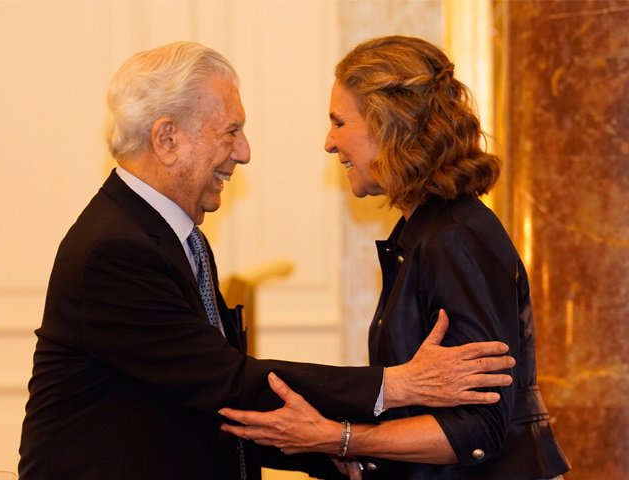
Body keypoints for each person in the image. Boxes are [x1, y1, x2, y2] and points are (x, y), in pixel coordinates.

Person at [17, 41, 516, 480]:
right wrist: (394, 386)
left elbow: (213, 396)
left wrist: (329, 448)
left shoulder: (172, 236)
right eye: (230, 131)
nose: (245, 152)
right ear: (167, 139)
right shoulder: (115, 250)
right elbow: (225, 384)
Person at [219, 35, 571, 479]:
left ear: (390, 127)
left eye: (339, 122)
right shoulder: (427, 231)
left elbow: (477, 430)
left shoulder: (454, 238)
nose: (329, 143)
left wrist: (337, 437)